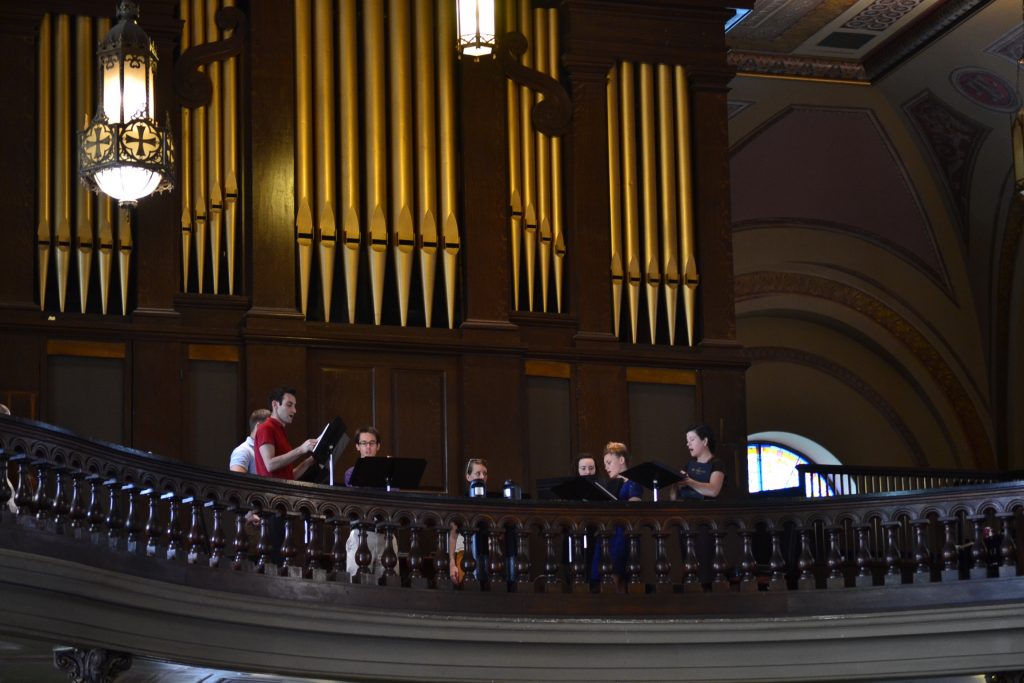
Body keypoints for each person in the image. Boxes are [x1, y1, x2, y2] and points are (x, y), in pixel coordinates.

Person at [344, 426, 397, 579]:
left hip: (386, 535)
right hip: (361, 534)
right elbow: (359, 490)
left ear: (378, 446)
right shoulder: (351, 472)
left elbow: (395, 493)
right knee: (357, 582)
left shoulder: (389, 472)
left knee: (389, 585)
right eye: (364, 443)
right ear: (357, 446)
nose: (368, 447)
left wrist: (387, 470)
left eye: (372, 443)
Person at [591, 442, 643, 585]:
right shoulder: (610, 485)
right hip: (608, 533)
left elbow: (634, 509)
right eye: (605, 464)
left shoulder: (633, 483)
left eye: (609, 462)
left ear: (621, 460)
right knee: (603, 576)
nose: (606, 467)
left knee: (617, 576)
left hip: (623, 534)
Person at [253, 387, 317, 481]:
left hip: (281, 492)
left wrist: (310, 461)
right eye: (289, 405)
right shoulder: (266, 428)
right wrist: (301, 449)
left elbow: (289, 477)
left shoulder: (279, 430)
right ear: (275, 404)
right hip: (272, 494)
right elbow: (270, 465)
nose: (294, 410)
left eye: (294, 406)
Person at [449, 458, 489, 585]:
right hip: (466, 556)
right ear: (468, 476)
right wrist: (452, 563)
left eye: (485, 473)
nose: (482, 477)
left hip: (487, 556)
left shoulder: (491, 505)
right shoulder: (461, 504)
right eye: (478, 473)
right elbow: (453, 535)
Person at [671, 424, 725, 500]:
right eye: (687, 441)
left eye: (692, 439)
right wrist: (677, 483)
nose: (688, 444)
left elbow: (713, 491)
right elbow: (674, 496)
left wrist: (688, 481)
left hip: (708, 510)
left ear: (705, 441)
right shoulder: (688, 466)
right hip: (688, 509)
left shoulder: (717, 464)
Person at [229, 408, 272, 475]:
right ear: (259, 427)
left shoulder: (268, 451)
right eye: (271, 429)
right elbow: (237, 482)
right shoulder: (242, 451)